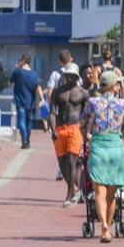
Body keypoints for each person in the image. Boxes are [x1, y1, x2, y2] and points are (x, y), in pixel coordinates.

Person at [81, 70, 124, 242]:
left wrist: (88, 135)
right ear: (113, 86)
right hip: (116, 146)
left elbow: (82, 122)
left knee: (99, 191)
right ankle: (106, 228)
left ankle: (104, 227)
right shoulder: (123, 104)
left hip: (98, 147)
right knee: (112, 194)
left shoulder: (92, 102)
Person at [50, 64, 89, 207]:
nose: (70, 78)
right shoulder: (58, 92)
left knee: (73, 161)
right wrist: (52, 129)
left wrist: (85, 131)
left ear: (76, 77)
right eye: (68, 75)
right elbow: (53, 112)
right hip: (60, 128)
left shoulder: (83, 93)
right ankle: (74, 189)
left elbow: (87, 115)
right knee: (62, 163)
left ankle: (68, 195)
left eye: (73, 75)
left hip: (75, 128)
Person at [9, 54, 44, 149]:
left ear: (24, 60)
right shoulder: (34, 74)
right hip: (31, 102)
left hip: (20, 101)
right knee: (29, 122)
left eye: (20, 59)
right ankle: (27, 140)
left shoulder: (18, 71)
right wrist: (42, 99)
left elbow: (9, 83)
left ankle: (24, 140)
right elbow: (38, 87)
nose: (19, 61)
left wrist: (15, 69)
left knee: (21, 121)